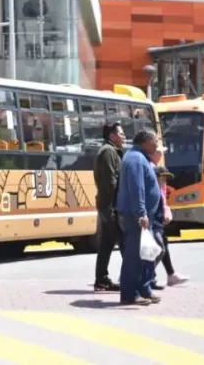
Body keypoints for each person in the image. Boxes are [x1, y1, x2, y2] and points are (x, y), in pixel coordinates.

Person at [115, 130, 162, 306]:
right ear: (145, 142)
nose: (157, 144)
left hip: (143, 216)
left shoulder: (140, 157)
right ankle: (129, 294)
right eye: (155, 140)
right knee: (134, 257)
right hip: (136, 217)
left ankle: (144, 288)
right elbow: (137, 189)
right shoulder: (135, 159)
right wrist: (141, 213)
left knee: (148, 254)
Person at [92, 123, 125, 292]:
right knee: (124, 243)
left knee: (107, 243)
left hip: (109, 205)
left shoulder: (111, 151)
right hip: (110, 206)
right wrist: (117, 203)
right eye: (121, 134)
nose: (124, 137)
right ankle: (131, 278)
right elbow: (110, 181)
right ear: (112, 136)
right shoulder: (108, 152)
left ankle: (102, 279)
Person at [150, 163, 189, 289]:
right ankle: (144, 276)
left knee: (158, 250)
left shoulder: (158, 190)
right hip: (153, 226)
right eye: (163, 178)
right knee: (159, 250)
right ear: (157, 177)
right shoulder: (152, 191)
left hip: (158, 225)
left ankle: (148, 277)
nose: (165, 182)